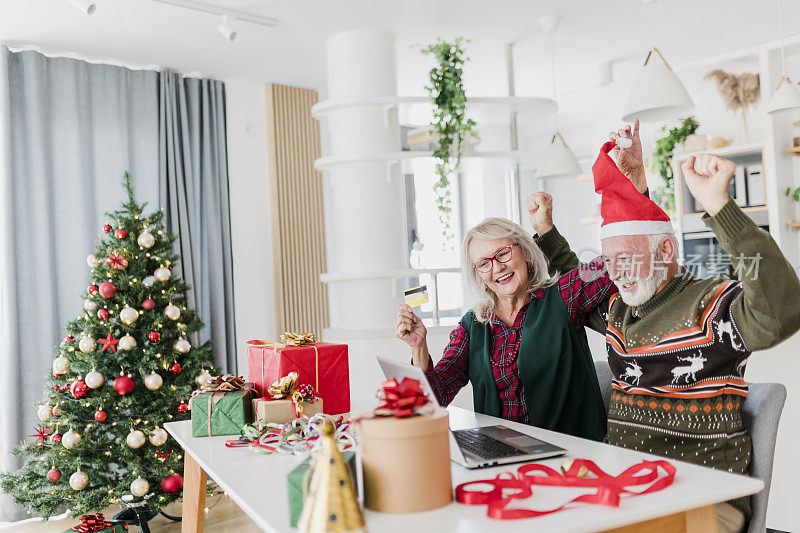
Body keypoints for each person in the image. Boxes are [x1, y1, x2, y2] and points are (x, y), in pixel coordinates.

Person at [527, 119, 800, 533]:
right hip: (626, 488)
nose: (614, 273)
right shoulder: (620, 306)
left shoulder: (711, 304)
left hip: (704, 497)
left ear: (666, 249)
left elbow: (782, 312)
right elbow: (577, 282)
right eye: (607, 260)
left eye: (624, 259)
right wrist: (546, 233)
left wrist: (718, 207)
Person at [395, 217, 614, 441]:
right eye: (483, 263)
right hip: (499, 452)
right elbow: (435, 398)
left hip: (569, 453)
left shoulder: (564, 295)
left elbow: (618, 260)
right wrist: (418, 347)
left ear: (526, 252)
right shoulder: (473, 325)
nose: (497, 267)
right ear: (478, 272)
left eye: (503, 253)